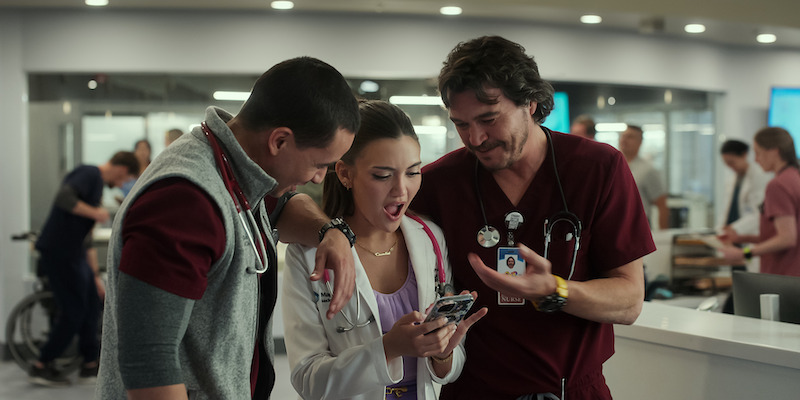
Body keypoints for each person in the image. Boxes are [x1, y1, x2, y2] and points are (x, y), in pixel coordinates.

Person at [96, 57, 361, 400]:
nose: (317, 178)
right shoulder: (184, 200)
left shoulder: (237, 172)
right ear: (279, 141)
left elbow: (282, 207)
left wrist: (331, 232)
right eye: (319, 164)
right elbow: (149, 362)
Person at [411, 35, 654, 399]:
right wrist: (331, 232)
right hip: (474, 390)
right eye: (461, 124)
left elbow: (630, 300)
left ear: (531, 103)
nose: (475, 138)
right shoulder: (438, 183)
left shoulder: (597, 168)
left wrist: (553, 290)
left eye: (489, 119)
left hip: (570, 389)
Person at [282, 100, 487, 400]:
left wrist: (442, 353)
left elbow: (448, 370)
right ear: (344, 174)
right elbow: (309, 382)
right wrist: (389, 348)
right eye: (382, 175)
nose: (401, 190)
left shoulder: (430, 239)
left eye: (413, 172)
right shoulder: (308, 256)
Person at [30, 151, 139, 387]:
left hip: (75, 254)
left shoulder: (97, 187)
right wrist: (97, 213)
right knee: (74, 311)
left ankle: (90, 364)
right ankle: (42, 364)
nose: (121, 185)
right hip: (58, 252)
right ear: (122, 170)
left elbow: (86, 239)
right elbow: (64, 198)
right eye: (125, 179)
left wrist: (95, 277)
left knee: (93, 304)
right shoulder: (89, 173)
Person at [720, 127, 800, 277]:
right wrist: (743, 238)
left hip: (783, 274)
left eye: (758, 153)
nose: (756, 160)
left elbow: (788, 238)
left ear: (774, 151)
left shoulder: (778, 185)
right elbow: (784, 232)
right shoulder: (795, 177)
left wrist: (745, 253)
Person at [619, 124, 669, 230]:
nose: (624, 140)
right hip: (615, 225)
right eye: (623, 136)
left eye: (630, 137)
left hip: (638, 227)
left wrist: (662, 235)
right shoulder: (613, 166)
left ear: (640, 142)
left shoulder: (648, 170)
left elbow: (662, 205)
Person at [718, 139, 769, 238]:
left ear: (744, 155)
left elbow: (758, 213)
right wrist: (722, 228)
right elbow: (726, 210)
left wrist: (735, 227)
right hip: (731, 235)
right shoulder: (732, 180)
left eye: (732, 162)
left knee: (745, 253)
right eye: (727, 164)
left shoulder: (759, 176)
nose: (730, 167)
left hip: (748, 235)